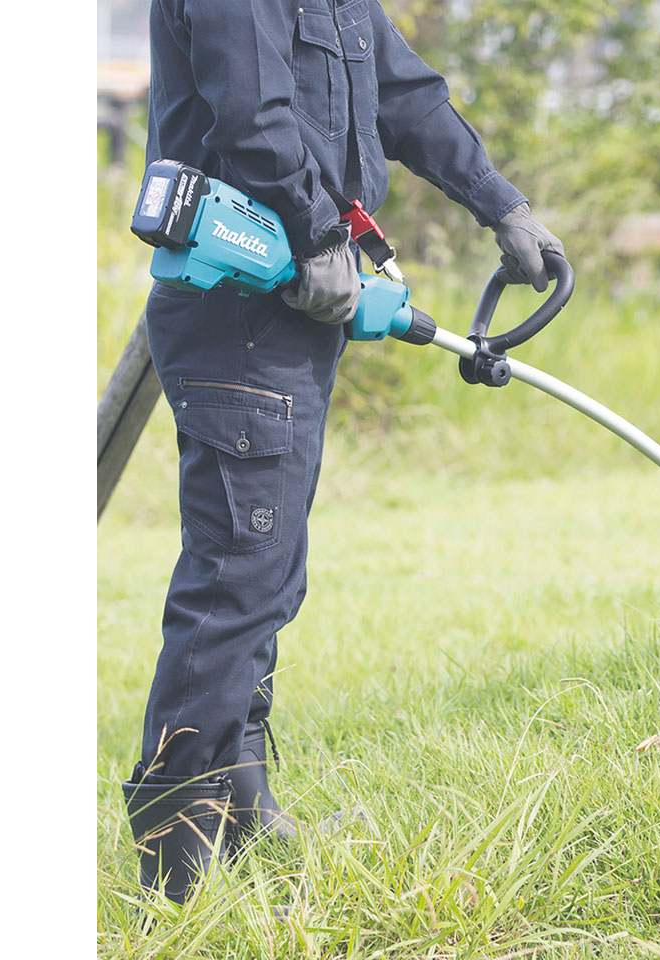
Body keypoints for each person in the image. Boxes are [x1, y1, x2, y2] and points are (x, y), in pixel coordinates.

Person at [122, 0, 565, 904]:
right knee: (236, 577)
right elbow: (251, 111)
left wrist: (501, 203)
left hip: (293, 315)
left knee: (270, 572)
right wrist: (318, 228)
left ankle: (240, 808)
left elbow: (405, 96)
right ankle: (175, 850)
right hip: (239, 310)